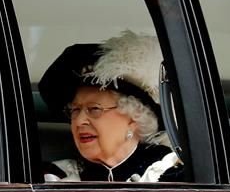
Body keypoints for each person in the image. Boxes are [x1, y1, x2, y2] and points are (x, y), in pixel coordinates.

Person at [38, 30, 184, 182]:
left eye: (94, 109)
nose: (79, 121)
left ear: (134, 118)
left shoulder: (169, 172)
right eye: (75, 110)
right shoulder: (58, 178)